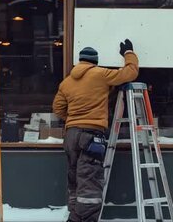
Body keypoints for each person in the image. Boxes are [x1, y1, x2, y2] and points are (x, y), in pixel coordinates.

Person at [53, 39, 139, 222]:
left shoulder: (66, 82)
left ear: (80, 61)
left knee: (75, 180)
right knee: (89, 183)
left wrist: (73, 120)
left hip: (71, 135)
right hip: (91, 135)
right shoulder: (100, 74)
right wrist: (128, 53)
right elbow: (130, 73)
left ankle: (75, 217)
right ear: (95, 61)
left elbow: (58, 108)